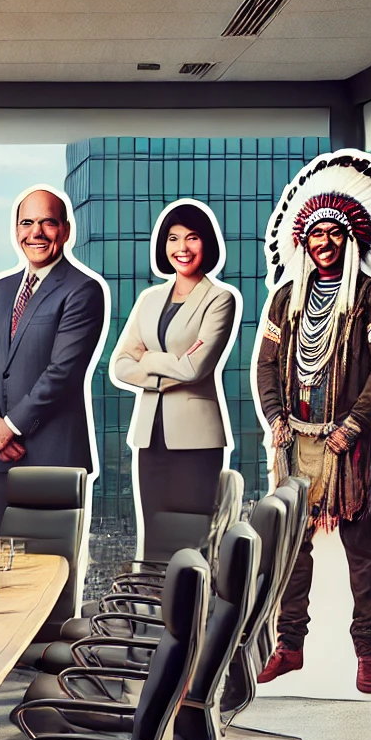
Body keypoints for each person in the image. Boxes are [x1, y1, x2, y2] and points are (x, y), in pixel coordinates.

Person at [253, 152, 371, 695]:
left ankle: (369, 652)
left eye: (334, 234)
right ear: (303, 242)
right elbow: (267, 366)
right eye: (315, 235)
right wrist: (275, 416)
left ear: (351, 240)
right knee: (292, 544)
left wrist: (353, 425)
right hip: (295, 439)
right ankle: (288, 645)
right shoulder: (286, 299)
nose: (324, 243)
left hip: (346, 441)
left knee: (358, 542)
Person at [0, 187, 107, 545]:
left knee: (52, 575)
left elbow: (63, 372)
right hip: (0, 460)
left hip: (53, 457)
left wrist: (10, 427)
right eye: (27, 223)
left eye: (48, 223)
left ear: (65, 230)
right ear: (16, 231)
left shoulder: (83, 290)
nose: (37, 233)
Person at [109, 200, 238, 560]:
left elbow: (195, 369)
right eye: (173, 238)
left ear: (206, 244)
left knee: (190, 542)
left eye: (192, 238)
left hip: (196, 441)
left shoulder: (219, 299)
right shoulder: (150, 299)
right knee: (154, 539)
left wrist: (147, 358)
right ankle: (153, 614)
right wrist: (168, 365)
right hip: (151, 439)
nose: (182, 248)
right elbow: (119, 365)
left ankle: (189, 615)